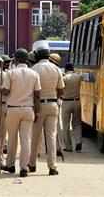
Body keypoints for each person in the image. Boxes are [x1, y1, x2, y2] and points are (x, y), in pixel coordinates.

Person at [1, 48, 41, 177]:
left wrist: (1, 89)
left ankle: (10, 165)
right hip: (28, 108)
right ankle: (24, 167)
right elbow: (37, 95)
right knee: (26, 139)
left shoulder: (10, 73)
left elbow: (6, 91)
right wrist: (38, 112)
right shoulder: (34, 74)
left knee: (12, 139)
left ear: (16, 59)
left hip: (13, 108)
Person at [29, 46, 65, 176]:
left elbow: (31, 91)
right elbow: (61, 90)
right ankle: (52, 167)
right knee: (51, 136)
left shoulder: (33, 69)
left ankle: (32, 164)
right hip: (53, 104)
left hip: (38, 106)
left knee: (35, 136)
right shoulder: (56, 69)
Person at [61, 63, 83, 152]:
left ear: (65, 69)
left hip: (66, 102)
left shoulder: (64, 78)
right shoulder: (78, 77)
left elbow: (60, 88)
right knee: (77, 123)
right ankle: (78, 142)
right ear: (73, 69)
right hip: (77, 101)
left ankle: (68, 147)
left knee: (66, 125)